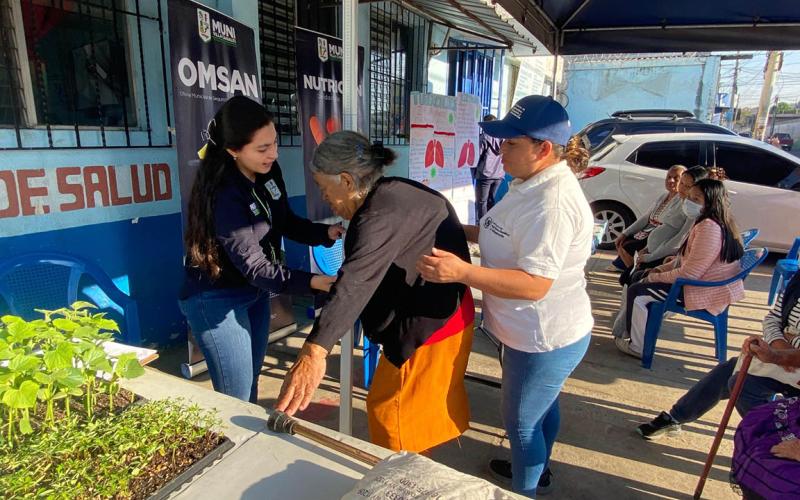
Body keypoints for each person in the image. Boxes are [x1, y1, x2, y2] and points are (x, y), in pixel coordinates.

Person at [416, 95, 594, 497]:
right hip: (526, 330)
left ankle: (524, 489)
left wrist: (461, 272)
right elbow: (503, 233)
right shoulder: (530, 182)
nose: (500, 151)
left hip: (543, 336)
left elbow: (535, 284)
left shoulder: (552, 203)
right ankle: (537, 470)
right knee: (541, 408)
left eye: (511, 144)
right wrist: (459, 229)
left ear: (543, 148)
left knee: (521, 423)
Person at [275, 131, 475, 454]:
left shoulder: (379, 214)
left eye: (324, 188)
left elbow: (356, 281)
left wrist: (315, 351)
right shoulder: (393, 194)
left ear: (346, 181)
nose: (324, 196)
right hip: (445, 311)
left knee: (390, 419)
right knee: (405, 417)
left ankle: (400, 485)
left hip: (431, 327)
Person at [179, 96, 343, 403]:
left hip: (254, 292)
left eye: (275, 143)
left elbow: (284, 221)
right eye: (263, 148)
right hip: (216, 300)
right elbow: (255, 266)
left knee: (249, 385)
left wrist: (325, 233)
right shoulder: (225, 193)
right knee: (236, 397)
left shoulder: (269, 171)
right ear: (233, 150)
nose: (274, 154)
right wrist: (312, 282)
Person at [637, 271, 800, 439]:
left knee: (742, 385)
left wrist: (784, 352)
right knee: (729, 370)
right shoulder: (797, 280)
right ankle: (676, 417)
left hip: (705, 294)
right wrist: (781, 347)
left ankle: (777, 440)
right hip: (782, 355)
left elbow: (691, 269)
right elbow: (773, 318)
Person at [614, 178, 745, 358]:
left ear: (711, 202)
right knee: (637, 277)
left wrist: (654, 277)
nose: (689, 202)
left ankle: (638, 347)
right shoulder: (709, 222)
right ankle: (629, 333)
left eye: (696, 199)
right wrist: (660, 269)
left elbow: (690, 273)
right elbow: (685, 260)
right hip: (699, 283)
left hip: (701, 290)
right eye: (689, 197)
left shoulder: (709, 228)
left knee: (638, 292)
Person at [616, 166, 710, 285]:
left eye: (688, 186)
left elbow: (678, 241)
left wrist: (650, 257)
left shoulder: (692, 210)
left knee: (630, 280)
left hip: (662, 256)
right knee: (627, 277)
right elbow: (653, 220)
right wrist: (645, 250)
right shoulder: (677, 199)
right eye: (681, 183)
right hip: (652, 251)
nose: (681, 188)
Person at [609, 165, 686, 272]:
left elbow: (667, 225)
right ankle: (630, 269)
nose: (671, 180)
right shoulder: (664, 196)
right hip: (648, 230)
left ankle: (634, 271)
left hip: (658, 235)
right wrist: (625, 233)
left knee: (630, 246)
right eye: (669, 177)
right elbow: (646, 217)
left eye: (676, 178)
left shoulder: (682, 201)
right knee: (623, 240)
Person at [475, 114, 505, 222]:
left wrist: (473, 172)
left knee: (482, 202)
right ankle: (490, 224)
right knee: (491, 200)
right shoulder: (503, 138)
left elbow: (476, 156)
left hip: (485, 175)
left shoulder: (483, 138)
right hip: (499, 174)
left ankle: (482, 225)